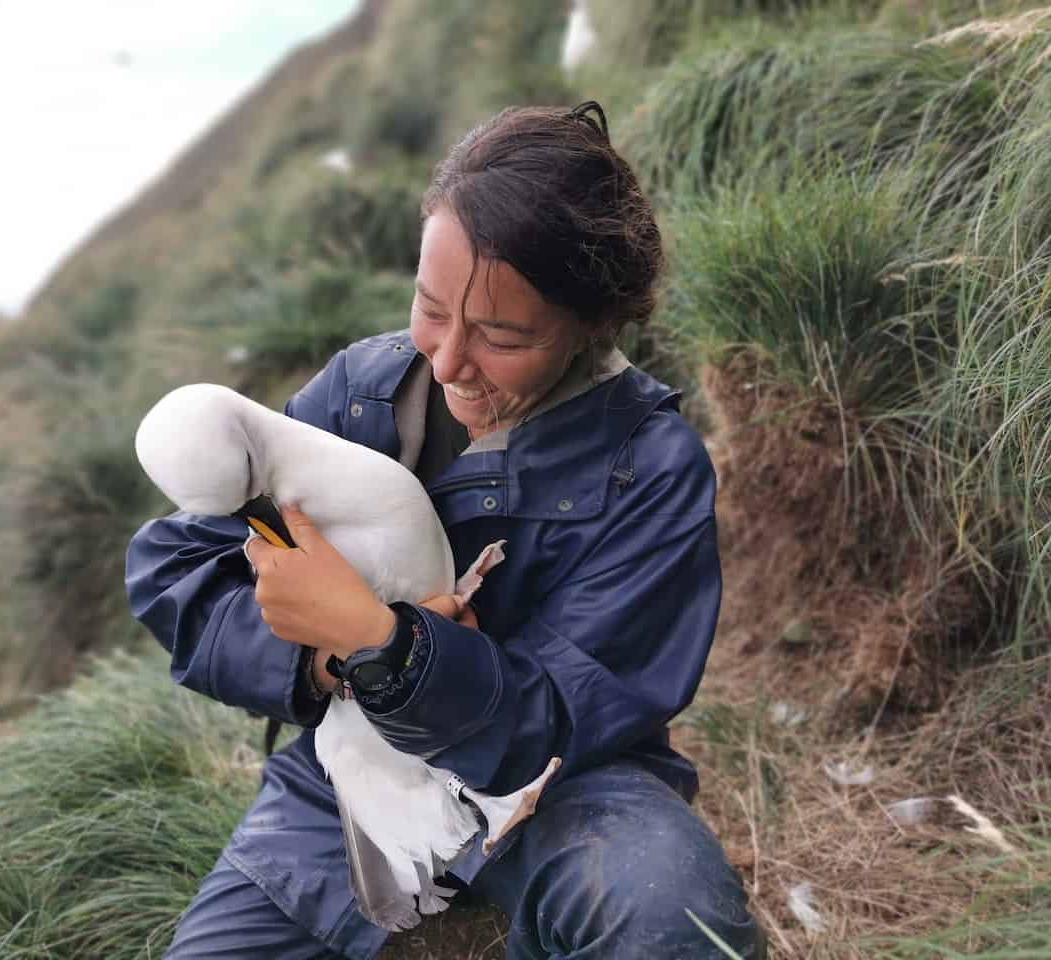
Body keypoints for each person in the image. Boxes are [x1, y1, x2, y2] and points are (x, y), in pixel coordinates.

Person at [125, 101, 764, 960]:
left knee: (674, 925)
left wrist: (387, 646)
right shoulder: (362, 392)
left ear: (592, 325)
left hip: (563, 786)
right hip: (351, 784)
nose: (450, 359)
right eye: (431, 308)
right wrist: (316, 654)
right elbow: (178, 568)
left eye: (501, 335)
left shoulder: (650, 466)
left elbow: (566, 715)